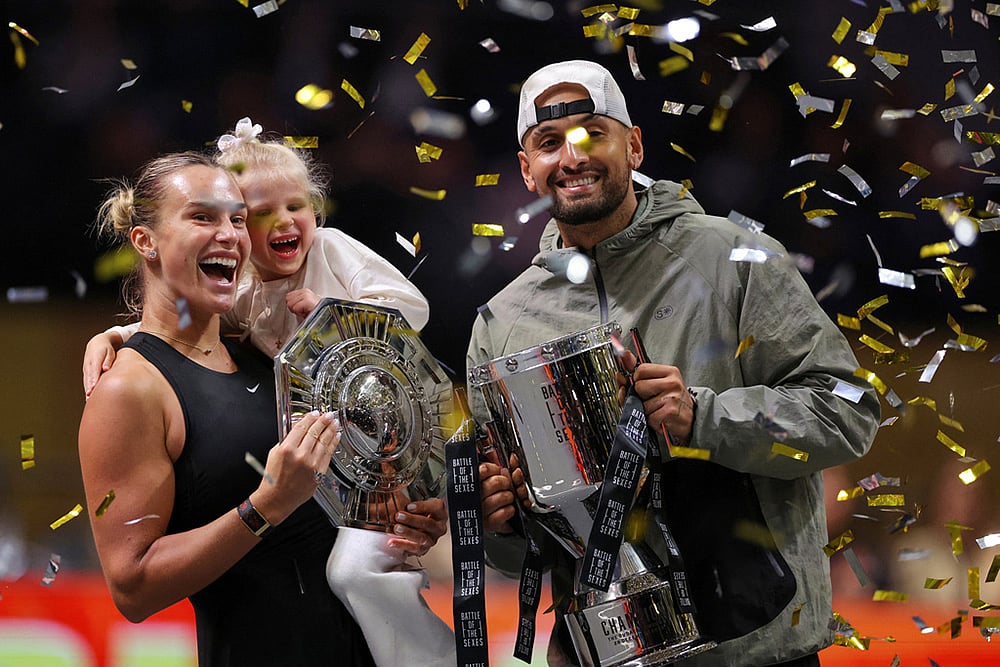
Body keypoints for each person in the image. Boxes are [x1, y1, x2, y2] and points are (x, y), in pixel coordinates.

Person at [468, 60, 880, 666]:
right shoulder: (501, 323)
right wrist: (499, 520)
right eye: (549, 143)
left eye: (591, 134)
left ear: (633, 146)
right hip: (606, 653)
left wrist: (704, 418)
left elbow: (850, 412)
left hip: (755, 646)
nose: (572, 157)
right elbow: (519, 551)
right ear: (529, 171)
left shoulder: (736, 259)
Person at [82, 123, 454, 666]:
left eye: (237, 218)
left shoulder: (271, 349)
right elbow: (132, 588)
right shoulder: (128, 388)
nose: (231, 234)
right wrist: (267, 506)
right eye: (203, 217)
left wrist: (405, 512)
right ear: (145, 241)